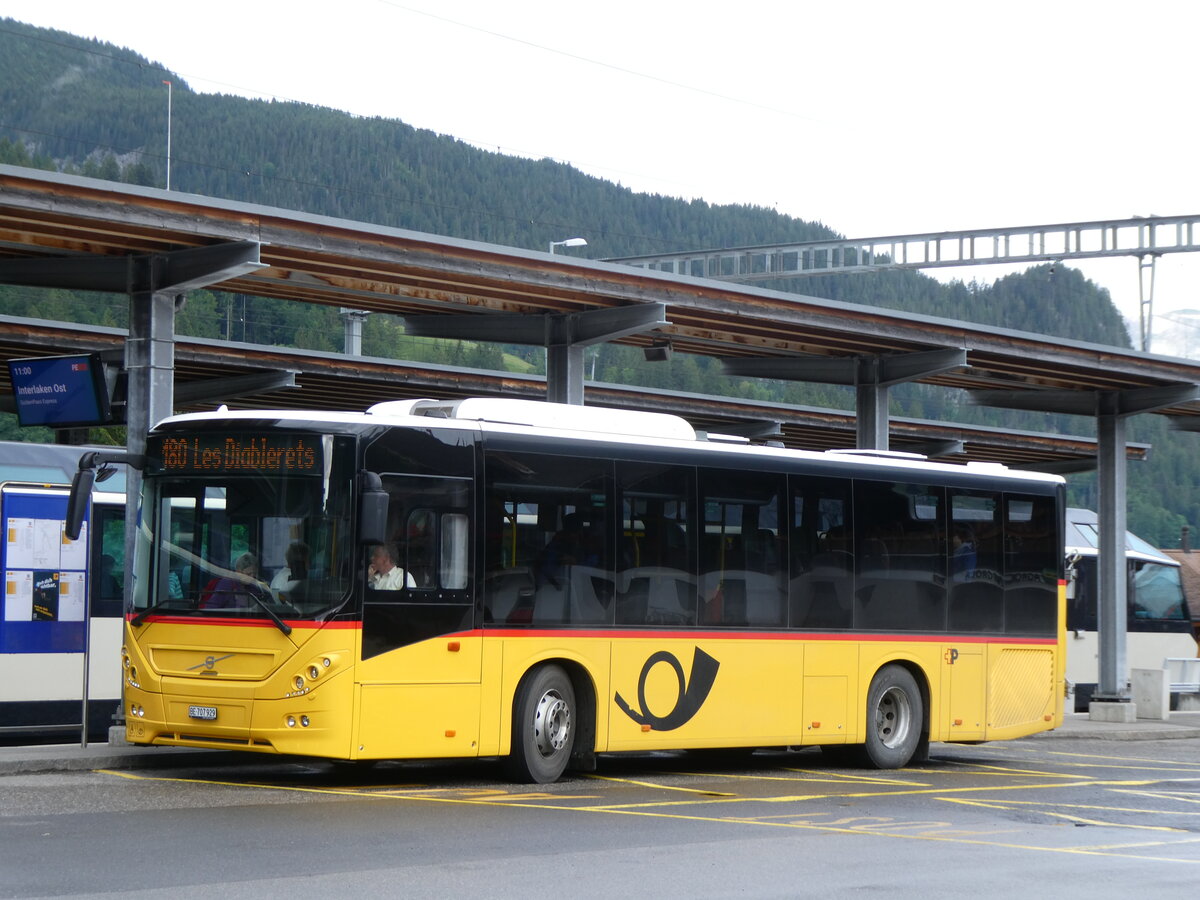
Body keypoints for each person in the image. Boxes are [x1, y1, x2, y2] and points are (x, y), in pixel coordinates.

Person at [201, 552, 269, 609]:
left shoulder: (253, 587)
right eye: (248, 574)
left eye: (254, 574)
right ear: (238, 571)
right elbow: (211, 608)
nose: (252, 577)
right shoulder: (226, 584)